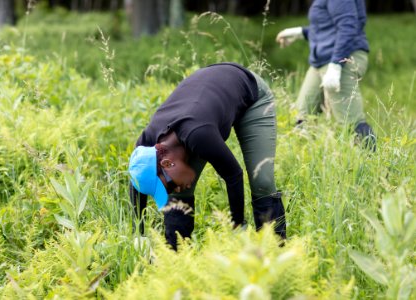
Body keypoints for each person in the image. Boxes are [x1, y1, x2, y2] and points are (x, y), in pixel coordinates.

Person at [128, 63, 286, 250]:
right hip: (205, 105)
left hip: (250, 94)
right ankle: (175, 261)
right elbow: (136, 177)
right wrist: (139, 233)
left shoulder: (200, 134)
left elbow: (233, 174)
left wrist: (237, 226)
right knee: (180, 195)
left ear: (168, 163)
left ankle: (275, 253)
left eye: (170, 185)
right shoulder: (147, 142)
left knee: (262, 181)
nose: (174, 189)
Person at [275, 0, 376, 151]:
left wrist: (336, 66)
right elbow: (326, 27)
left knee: (351, 122)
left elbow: (348, 26)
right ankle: (303, 164)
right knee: (301, 117)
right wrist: (301, 32)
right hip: (321, 62)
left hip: (343, 58)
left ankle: (373, 166)